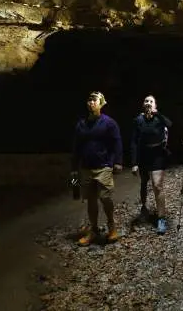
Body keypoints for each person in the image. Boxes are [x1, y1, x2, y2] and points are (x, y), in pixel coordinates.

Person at [71, 91, 123, 246]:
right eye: (89, 100)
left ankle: (111, 227)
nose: (91, 102)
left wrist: (118, 161)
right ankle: (93, 230)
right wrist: (74, 169)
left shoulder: (109, 123)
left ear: (101, 103)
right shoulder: (81, 125)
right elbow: (76, 148)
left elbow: (117, 142)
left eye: (94, 100)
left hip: (103, 167)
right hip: (86, 168)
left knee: (105, 197)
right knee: (91, 201)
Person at [130, 95, 172, 235]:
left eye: (151, 101)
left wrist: (157, 114)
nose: (148, 103)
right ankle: (144, 207)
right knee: (143, 182)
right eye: (146, 101)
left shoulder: (159, 118)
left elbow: (169, 124)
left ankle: (161, 218)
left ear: (155, 105)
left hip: (158, 154)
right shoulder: (138, 120)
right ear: (143, 104)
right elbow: (134, 142)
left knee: (157, 185)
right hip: (144, 155)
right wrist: (134, 163)